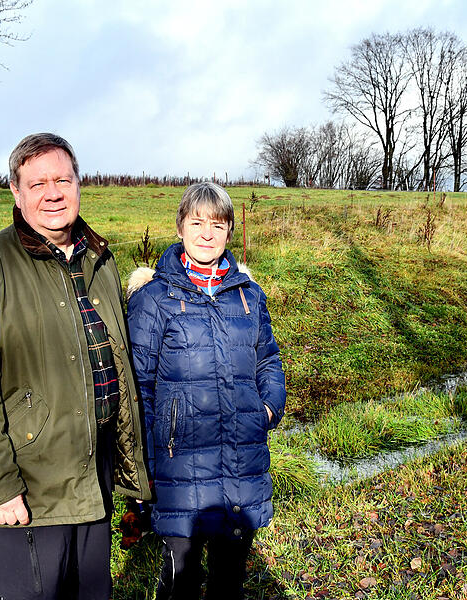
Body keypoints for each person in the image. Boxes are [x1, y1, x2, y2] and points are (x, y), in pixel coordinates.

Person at [0, 133, 150, 600]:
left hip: (93, 482)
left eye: (62, 179)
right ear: (16, 192)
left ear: (79, 184)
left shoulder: (100, 257)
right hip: (30, 490)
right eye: (37, 183)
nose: (53, 193)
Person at [125, 182, 286, 600]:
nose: (206, 233)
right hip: (181, 467)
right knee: (179, 581)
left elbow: (268, 359)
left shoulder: (249, 296)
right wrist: (143, 465)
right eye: (196, 222)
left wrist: (268, 409)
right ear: (180, 227)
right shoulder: (154, 299)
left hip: (240, 460)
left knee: (228, 582)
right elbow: (138, 386)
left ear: (230, 231)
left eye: (217, 224)